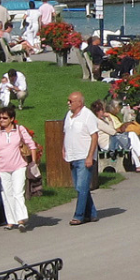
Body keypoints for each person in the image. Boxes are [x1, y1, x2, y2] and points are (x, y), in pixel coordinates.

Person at [0, 107, 38, 232]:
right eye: (0, 118)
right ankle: (11, 221)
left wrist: (33, 162)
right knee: (6, 194)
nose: (1, 120)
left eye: (5, 118)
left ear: (12, 119)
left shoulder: (19, 130)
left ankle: (21, 219)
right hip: (3, 168)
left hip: (18, 166)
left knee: (18, 192)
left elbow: (32, 145)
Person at [63, 91, 102, 225]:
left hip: (84, 156)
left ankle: (78, 215)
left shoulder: (88, 116)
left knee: (81, 187)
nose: (68, 103)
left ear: (79, 103)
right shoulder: (69, 116)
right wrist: (64, 148)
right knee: (80, 186)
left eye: (71, 101)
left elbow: (94, 136)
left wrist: (90, 156)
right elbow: (67, 133)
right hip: (72, 156)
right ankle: (91, 213)